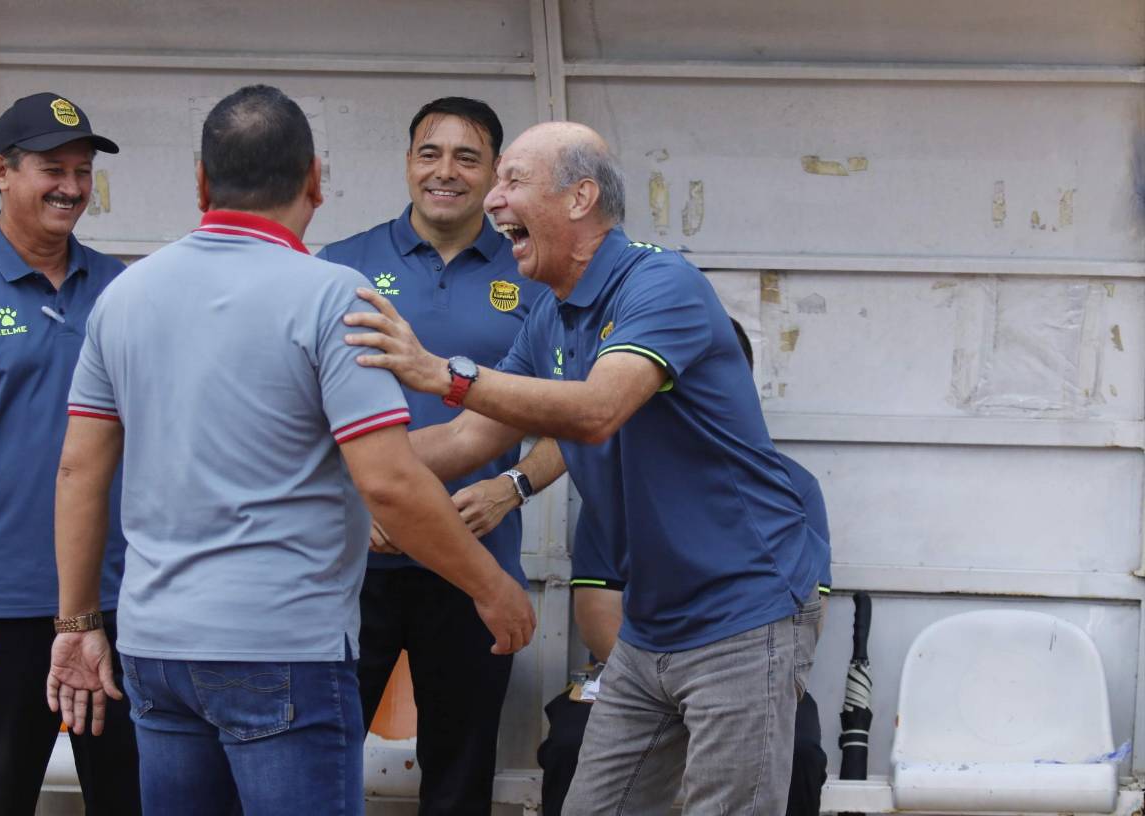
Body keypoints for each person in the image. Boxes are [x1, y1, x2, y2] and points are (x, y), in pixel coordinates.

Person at [45, 84, 535, 816]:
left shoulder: (126, 293)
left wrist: (77, 624)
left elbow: (79, 469)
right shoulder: (333, 293)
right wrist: (490, 588)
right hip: (282, 644)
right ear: (314, 181)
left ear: (203, 181)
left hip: (158, 645)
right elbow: (391, 483)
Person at [343, 121, 828, 814]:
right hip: (650, 628)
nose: (492, 201)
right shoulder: (550, 316)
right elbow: (462, 440)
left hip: (742, 615)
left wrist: (437, 370)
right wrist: (343, 475)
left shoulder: (661, 282)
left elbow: (599, 408)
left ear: (580, 198)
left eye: (512, 182)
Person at [317, 96, 559, 816]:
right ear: (408, 162)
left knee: (459, 775)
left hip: (472, 561)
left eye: (466, 157)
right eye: (430, 153)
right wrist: (365, 499)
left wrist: (512, 486)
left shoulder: (536, 277)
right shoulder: (339, 269)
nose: (444, 172)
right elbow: (298, 415)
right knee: (316, 765)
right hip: (350, 562)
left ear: (494, 175)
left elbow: (575, 419)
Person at [0, 92, 139, 816]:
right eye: (53, 169)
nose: (72, 188)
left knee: (136, 800)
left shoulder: (122, 290)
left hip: (119, 604)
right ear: (2, 173)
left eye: (82, 171)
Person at [535, 318, 833, 816]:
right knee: (580, 772)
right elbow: (596, 613)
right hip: (641, 653)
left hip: (742, 646)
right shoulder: (619, 476)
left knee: (797, 756)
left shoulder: (787, 484)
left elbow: (807, 617)